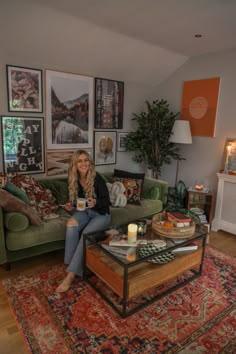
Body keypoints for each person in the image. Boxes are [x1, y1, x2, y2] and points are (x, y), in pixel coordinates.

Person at [56, 149, 111, 292]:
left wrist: (95, 203)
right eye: (80, 160)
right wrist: (71, 205)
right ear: (75, 164)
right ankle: (71, 264)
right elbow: (79, 202)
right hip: (85, 212)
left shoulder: (97, 178)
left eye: (86, 160)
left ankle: (71, 276)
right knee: (71, 224)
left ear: (90, 162)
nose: (83, 163)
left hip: (101, 214)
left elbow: (106, 203)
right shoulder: (74, 178)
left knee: (85, 235)